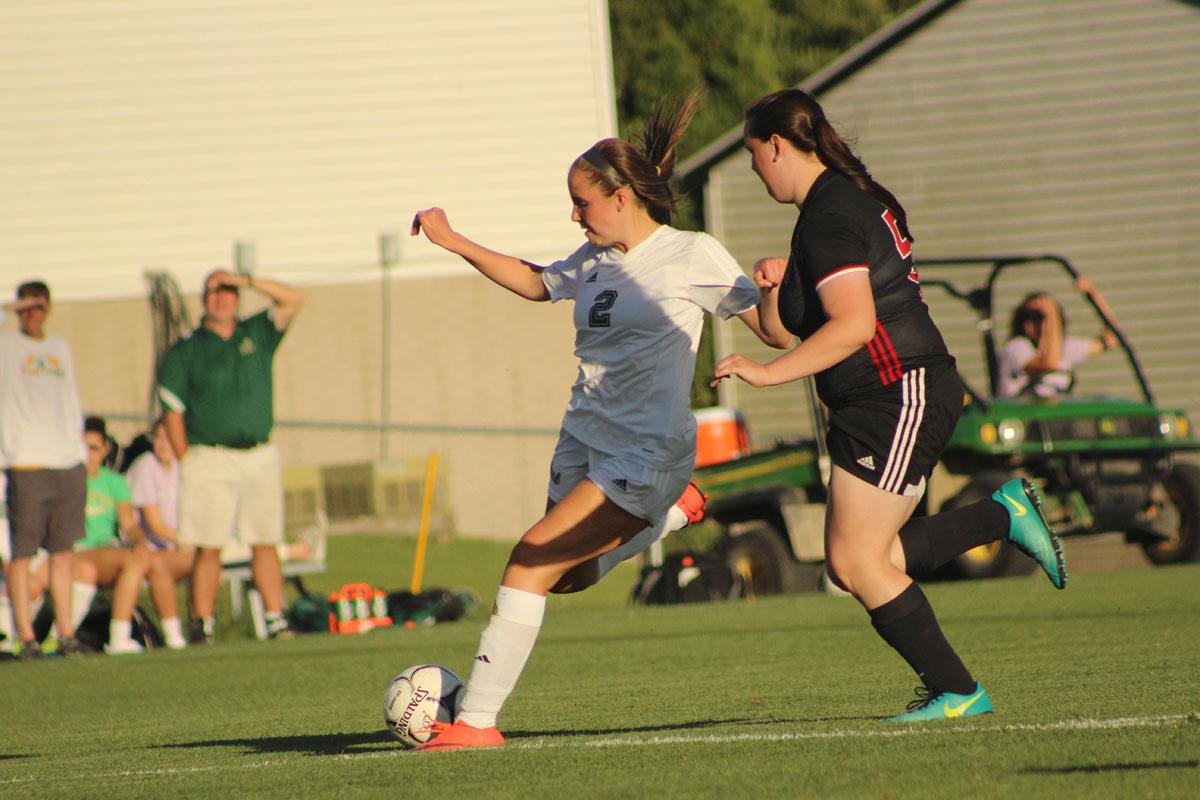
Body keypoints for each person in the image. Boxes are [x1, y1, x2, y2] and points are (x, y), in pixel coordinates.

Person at [408, 93, 785, 750]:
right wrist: (452, 240)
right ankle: (671, 516)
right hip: (583, 442)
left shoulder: (691, 254)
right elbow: (535, 284)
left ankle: (476, 725)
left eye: (581, 200)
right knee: (567, 577)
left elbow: (778, 334)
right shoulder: (594, 258)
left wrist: (776, 288)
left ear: (620, 196)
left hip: (644, 454)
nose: (574, 212)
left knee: (528, 561)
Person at [712, 88, 1068, 723]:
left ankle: (958, 691)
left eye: (751, 155)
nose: (754, 168)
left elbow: (852, 326)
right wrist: (772, 288)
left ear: (775, 146)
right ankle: (1001, 515)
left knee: (855, 561)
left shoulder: (832, 216)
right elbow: (783, 330)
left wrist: (766, 378)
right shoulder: (825, 214)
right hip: (875, 398)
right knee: (860, 564)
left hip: (900, 391)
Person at [157, 269, 304, 644]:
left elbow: (293, 299)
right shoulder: (187, 350)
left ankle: (275, 618)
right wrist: (186, 457)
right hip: (210, 456)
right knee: (208, 545)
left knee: (265, 538)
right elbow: (172, 409)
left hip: (258, 454)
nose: (221, 298)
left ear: (237, 296)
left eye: (227, 291)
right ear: (203, 299)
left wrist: (248, 279)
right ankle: (202, 624)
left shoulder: (256, 332)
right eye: (213, 292)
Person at [0, 281, 89, 659]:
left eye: (39, 307)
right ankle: (27, 637)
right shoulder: (6, 346)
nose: (32, 315)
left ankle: (65, 634)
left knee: (63, 552)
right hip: (27, 463)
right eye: (26, 308)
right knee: (22, 554)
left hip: (66, 461)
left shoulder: (60, 347)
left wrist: (79, 451)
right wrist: (12, 306)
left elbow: (70, 398)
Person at [74, 416, 154, 654]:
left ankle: (122, 637)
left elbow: (129, 523)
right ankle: (118, 637)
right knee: (129, 560)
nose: (88, 455)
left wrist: (140, 541)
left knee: (139, 557)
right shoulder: (68, 481)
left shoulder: (115, 481)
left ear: (105, 450)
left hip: (105, 551)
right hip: (77, 550)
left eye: (94, 448)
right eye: (83, 448)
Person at [124, 417, 192, 649]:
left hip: (175, 547)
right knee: (160, 566)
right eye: (158, 438)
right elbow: (155, 525)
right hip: (147, 549)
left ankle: (201, 628)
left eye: (169, 438)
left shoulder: (184, 466)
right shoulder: (146, 466)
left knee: (207, 562)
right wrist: (187, 542)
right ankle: (174, 636)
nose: (163, 444)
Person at [996, 278, 1119, 398]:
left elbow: (1111, 339)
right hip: (1021, 415)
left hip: (1055, 415)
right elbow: (1049, 363)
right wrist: (1051, 314)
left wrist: (1093, 293)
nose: (1028, 324)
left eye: (1038, 317)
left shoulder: (1064, 346)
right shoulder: (1016, 347)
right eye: (1025, 317)